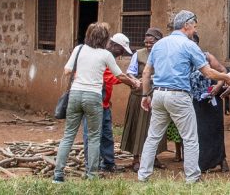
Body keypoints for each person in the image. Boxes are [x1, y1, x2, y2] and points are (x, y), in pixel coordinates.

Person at [137, 10, 230, 183]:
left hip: (158, 93)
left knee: (153, 136)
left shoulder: (159, 44)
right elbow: (208, 72)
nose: (195, 31)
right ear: (186, 25)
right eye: (194, 27)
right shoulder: (189, 45)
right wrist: (226, 77)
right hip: (178, 96)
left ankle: (143, 176)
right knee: (190, 138)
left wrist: (145, 95)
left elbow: (146, 72)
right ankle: (192, 178)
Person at [53, 23, 140, 183]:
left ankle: (58, 175)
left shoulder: (79, 49)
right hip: (93, 97)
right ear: (105, 39)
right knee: (94, 137)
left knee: (68, 136)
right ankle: (91, 175)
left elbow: (66, 70)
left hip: (75, 94)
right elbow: (119, 76)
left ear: (88, 35)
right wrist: (134, 83)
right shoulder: (105, 55)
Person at [81, 33, 133, 173]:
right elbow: (112, 77)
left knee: (106, 135)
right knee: (91, 136)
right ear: (113, 45)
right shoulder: (101, 56)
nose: (121, 54)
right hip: (92, 103)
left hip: (104, 104)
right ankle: (92, 166)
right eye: (121, 50)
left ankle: (108, 164)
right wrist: (133, 82)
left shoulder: (109, 58)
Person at [121, 28, 167, 172]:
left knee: (155, 127)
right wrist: (136, 81)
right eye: (146, 43)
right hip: (139, 95)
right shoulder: (138, 54)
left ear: (159, 42)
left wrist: (151, 79)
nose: (148, 45)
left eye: (151, 42)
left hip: (156, 95)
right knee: (136, 126)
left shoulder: (164, 54)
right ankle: (136, 158)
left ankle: (153, 158)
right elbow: (130, 73)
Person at [189, 33, 230, 172]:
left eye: (192, 42)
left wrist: (218, 86)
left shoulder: (206, 56)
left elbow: (223, 71)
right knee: (199, 131)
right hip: (195, 100)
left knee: (215, 129)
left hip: (212, 98)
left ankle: (221, 159)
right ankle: (202, 163)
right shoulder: (183, 58)